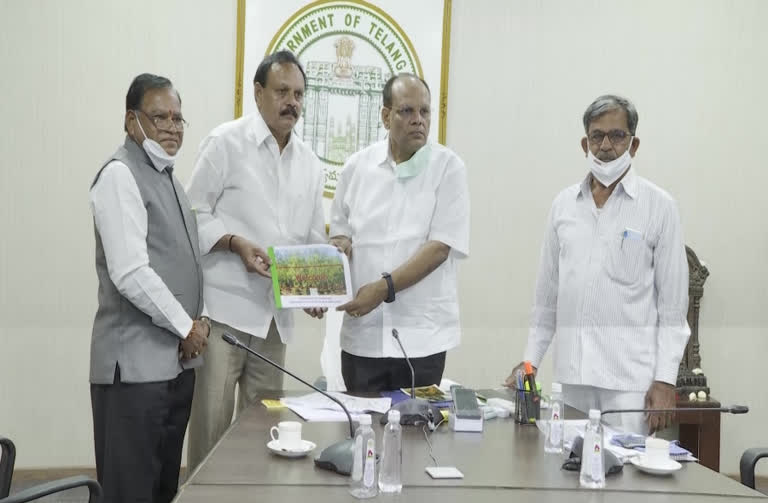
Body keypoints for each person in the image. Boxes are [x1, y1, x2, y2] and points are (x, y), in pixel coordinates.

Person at [505, 95, 690, 434]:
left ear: (633, 145)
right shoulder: (563, 206)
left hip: (629, 382)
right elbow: (546, 299)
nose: (606, 145)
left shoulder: (659, 207)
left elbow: (673, 307)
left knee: (627, 480)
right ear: (584, 143)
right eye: (597, 135)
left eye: (617, 135)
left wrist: (665, 379)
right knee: (565, 474)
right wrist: (530, 362)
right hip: (571, 378)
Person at [185, 50, 326, 471]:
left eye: (299, 94)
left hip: (274, 320)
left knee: (265, 431)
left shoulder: (311, 164)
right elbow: (192, 214)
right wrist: (233, 242)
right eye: (283, 91)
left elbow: (311, 239)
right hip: (225, 312)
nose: (292, 102)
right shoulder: (225, 142)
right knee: (210, 428)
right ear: (259, 93)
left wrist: (316, 289)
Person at [89, 73, 210, 503]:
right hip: (133, 373)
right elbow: (130, 272)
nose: (172, 127)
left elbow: (189, 261)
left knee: (161, 494)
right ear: (131, 121)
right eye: (159, 116)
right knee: (129, 497)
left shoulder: (172, 181)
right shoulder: (119, 175)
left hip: (175, 368)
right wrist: (186, 326)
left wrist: (203, 317)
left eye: (179, 118)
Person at [329, 73, 470, 392]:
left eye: (425, 112)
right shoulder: (356, 168)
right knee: (361, 435)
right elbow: (340, 234)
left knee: (416, 437)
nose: (418, 120)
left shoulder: (449, 168)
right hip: (363, 337)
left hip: (422, 339)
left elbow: (440, 249)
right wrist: (337, 250)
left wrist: (383, 288)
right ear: (385, 115)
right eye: (407, 111)